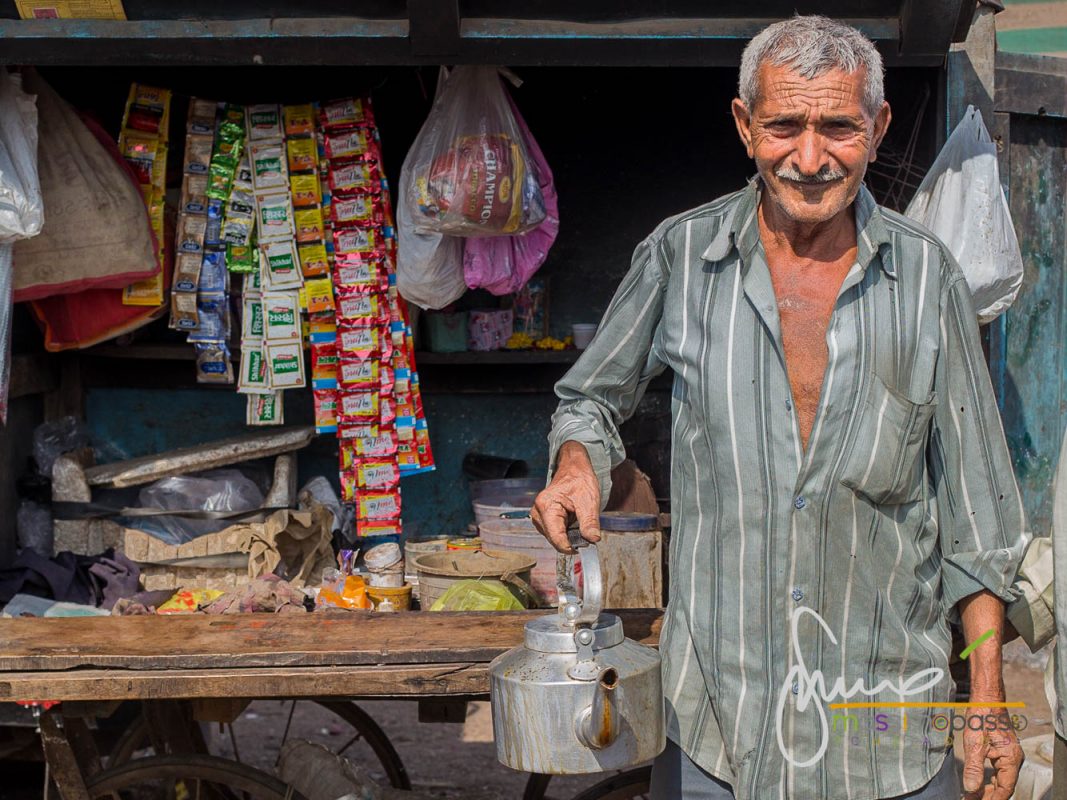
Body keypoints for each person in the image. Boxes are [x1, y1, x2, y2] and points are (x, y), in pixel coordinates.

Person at [532, 15, 1030, 800]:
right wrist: (574, 464)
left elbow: (978, 516)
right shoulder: (679, 257)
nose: (808, 158)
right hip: (718, 723)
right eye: (783, 126)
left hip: (882, 721)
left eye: (837, 127)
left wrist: (987, 702)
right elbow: (589, 397)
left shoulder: (929, 278)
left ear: (877, 127)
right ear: (743, 125)